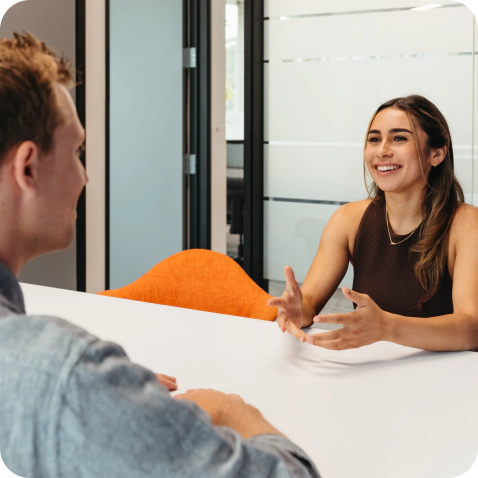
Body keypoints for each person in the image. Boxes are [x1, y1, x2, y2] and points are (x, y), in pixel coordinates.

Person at [0, 32, 319, 478]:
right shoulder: (61, 376)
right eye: (76, 151)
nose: (85, 175)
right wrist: (229, 410)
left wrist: (110, 397)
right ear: (28, 167)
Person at [269, 94, 478, 352]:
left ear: (436, 154)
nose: (382, 150)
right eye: (374, 139)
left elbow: (471, 329)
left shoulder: (466, 224)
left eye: (399, 138)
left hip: (450, 379)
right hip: (372, 372)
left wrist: (387, 327)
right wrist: (296, 311)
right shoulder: (348, 220)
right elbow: (309, 302)